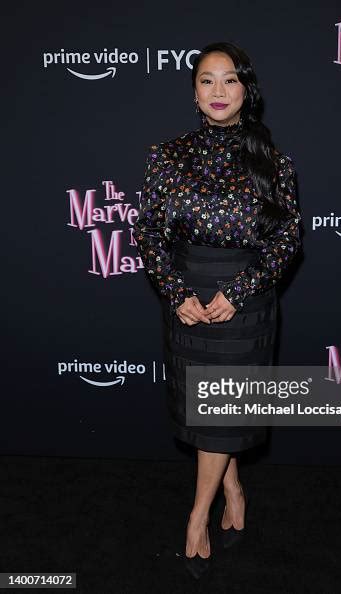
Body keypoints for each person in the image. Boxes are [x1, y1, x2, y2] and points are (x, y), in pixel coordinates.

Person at [133, 41, 302, 578]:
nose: (219, 91)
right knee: (209, 417)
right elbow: (150, 233)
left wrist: (241, 291)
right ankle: (231, 483)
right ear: (194, 93)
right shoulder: (167, 156)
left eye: (230, 80)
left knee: (222, 413)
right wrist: (176, 292)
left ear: (246, 89)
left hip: (245, 306)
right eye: (207, 80)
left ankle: (196, 515)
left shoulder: (271, 160)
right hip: (186, 299)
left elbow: (286, 239)